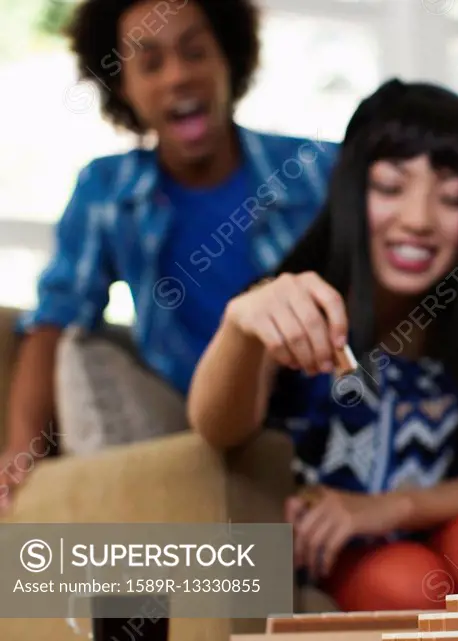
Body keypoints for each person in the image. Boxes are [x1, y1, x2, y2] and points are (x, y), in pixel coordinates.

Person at [187, 79, 458, 641]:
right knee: (410, 584)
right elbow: (216, 427)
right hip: (334, 548)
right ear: (352, 191)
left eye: (451, 198)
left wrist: (384, 508)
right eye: (390, 186)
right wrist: (240, 326)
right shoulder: (296, 301)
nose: (419, 218)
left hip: (442, 527)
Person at [0, 0, 337, 511]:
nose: (178, 76)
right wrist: (20, 455)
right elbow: (54, 322)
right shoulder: (107, 190)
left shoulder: (314, 169)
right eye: (150, 63)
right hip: (196, 423)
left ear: (230, 59)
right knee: (79, 347)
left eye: (196, 52)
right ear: (123, 88)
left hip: (316, 415)